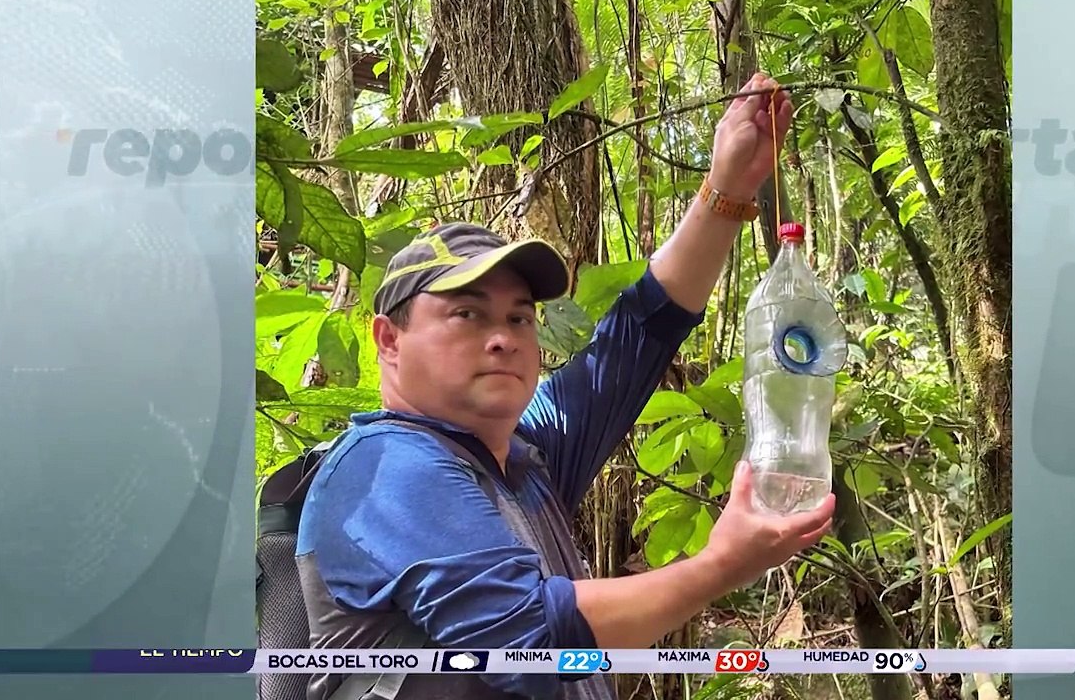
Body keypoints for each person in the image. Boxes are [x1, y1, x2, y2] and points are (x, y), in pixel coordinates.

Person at [295, 73, 836, 700]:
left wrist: (728, 187)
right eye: (467, 314)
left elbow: (639, 337)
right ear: (389, 340)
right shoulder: (387, 466)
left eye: (519, 318)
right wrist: (721, 565)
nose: (502, 338)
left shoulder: (521, 456)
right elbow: (529, 642)